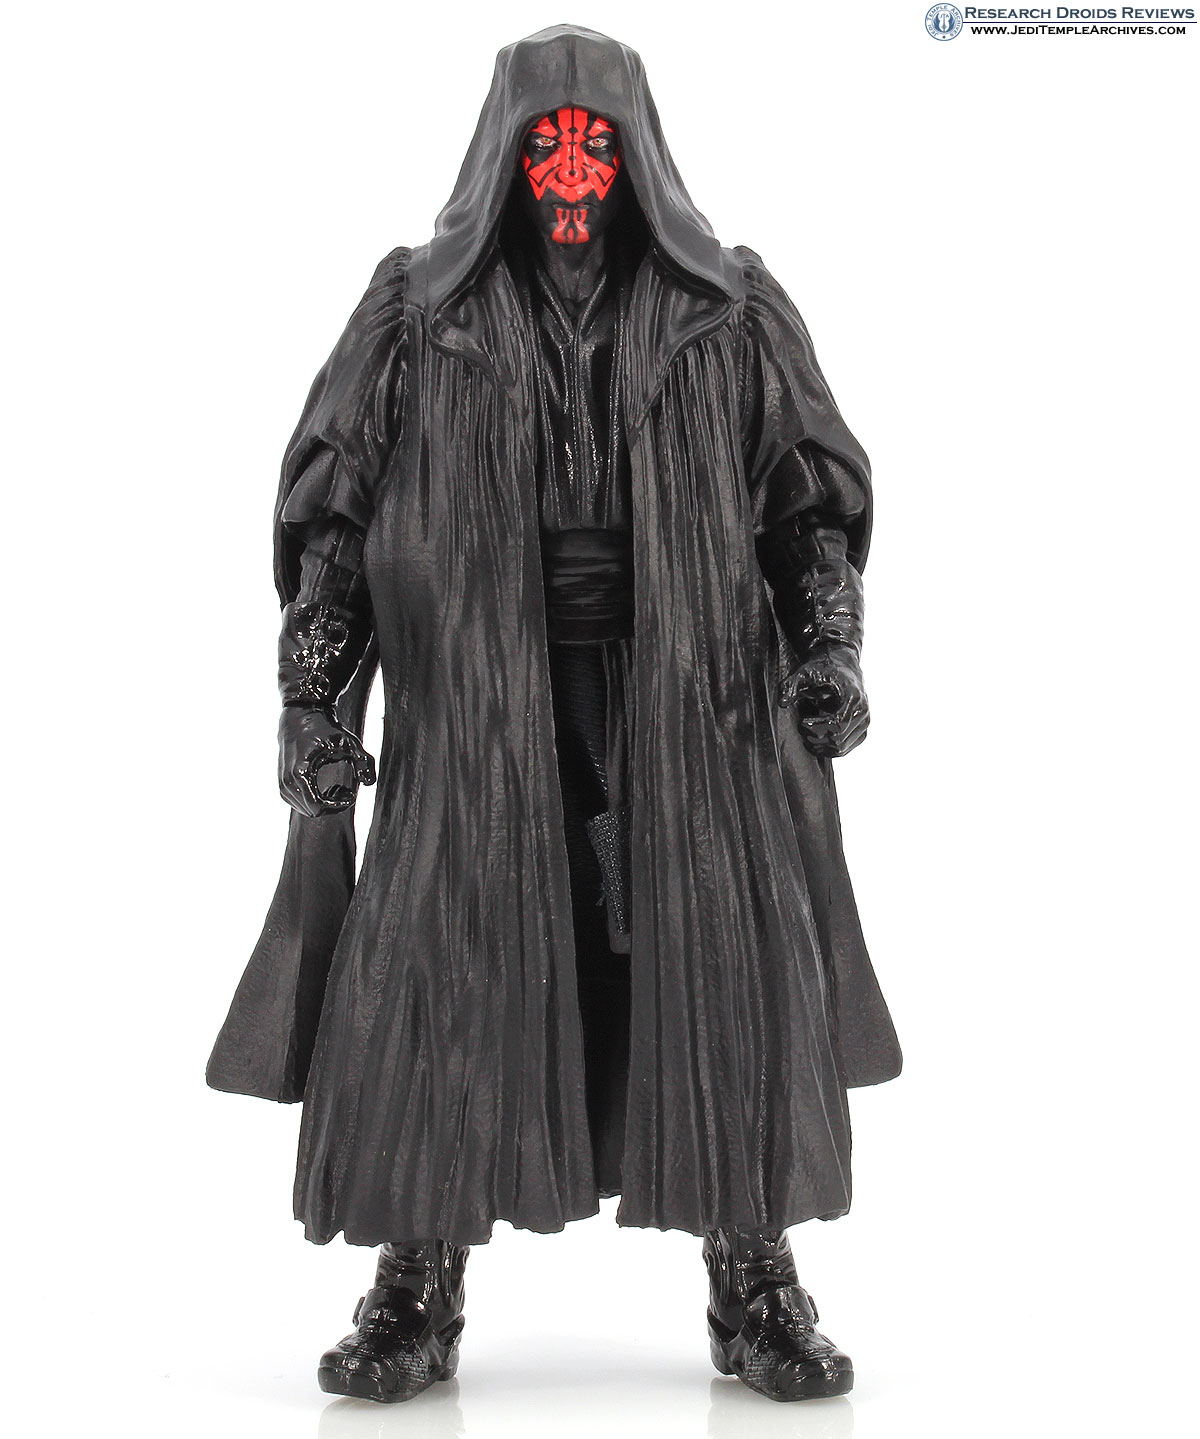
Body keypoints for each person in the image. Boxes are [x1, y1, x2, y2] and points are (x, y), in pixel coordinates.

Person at [208, 24, 901, 1405]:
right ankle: (417, 1278)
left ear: (639, 156)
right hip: (478, 703)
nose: (573, 170)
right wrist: (309, 697)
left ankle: (753, 1272)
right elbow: (336, 528)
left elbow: (803, 511)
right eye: (547, 142)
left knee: (717, 961)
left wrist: (830, 645)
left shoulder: (729, 312)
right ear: (503, 157)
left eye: (595, 142)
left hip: (695, 700)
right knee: (441, 966)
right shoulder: (416, 318)